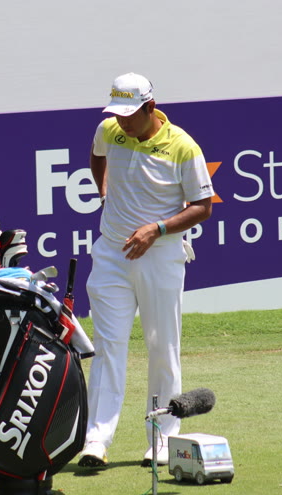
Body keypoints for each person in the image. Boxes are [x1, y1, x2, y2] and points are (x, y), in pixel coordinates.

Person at [78, 73, 214, 468]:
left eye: (129, 114)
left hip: (161, 256)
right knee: (107, 348)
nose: (121, 121)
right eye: (117, 113)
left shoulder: (183, 146)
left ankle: (162, 438)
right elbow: (97, 155)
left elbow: (203, 206)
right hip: (111, 255)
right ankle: (96, 440)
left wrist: (157, 229)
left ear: (150, 107)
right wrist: (104, 191)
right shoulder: (109, 129)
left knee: (161, 347)